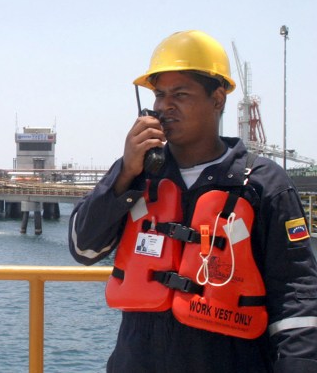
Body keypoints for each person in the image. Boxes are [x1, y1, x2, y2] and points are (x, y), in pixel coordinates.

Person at [68, 30, 317, 372]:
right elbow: (83, 249)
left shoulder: (262, 183)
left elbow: (295, 292)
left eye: (180, 94)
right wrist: (124, 173)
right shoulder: (135, 174)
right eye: (159, 95)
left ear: (218, 100)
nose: (164, 106)